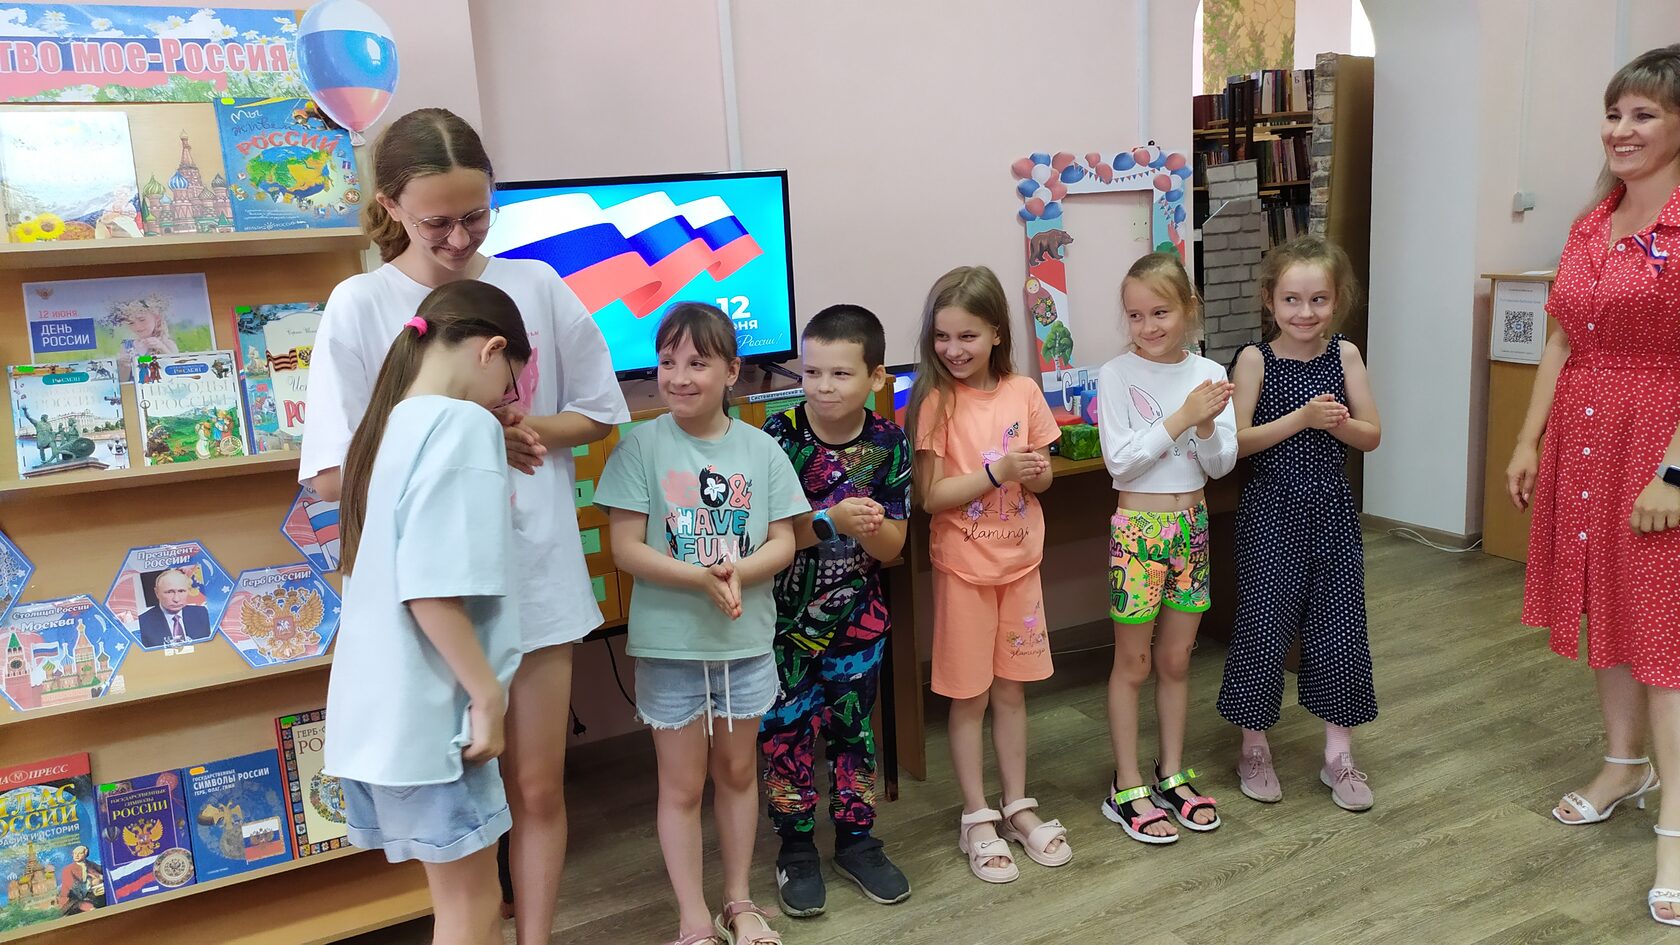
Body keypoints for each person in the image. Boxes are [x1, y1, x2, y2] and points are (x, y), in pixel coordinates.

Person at [299, 108, 628, 945]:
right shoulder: (361, 303)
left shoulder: (536, 285)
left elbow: (598, 412)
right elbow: (333, 473)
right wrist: (467, 433)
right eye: (435, 221)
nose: (456, 238)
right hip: (429, 613)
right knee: (463, 845)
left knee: (538, 790)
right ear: (390, 206)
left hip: (536, 579)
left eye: (475, 216)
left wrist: (517, 428)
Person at [1504, 44, 1680, 928]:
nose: (1621, 129)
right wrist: (1528, 437)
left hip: (1659, 444)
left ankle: (1677, 830)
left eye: (1643, 114)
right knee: (1608, 607)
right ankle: (1623, 763)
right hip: (1584, 441)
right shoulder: (1590, 223)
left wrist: (1675, 471)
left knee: (1664, 639)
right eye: (1614, 113)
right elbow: (1563, 338)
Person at [323, 280, 531, 945]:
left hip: (380, 720)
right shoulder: (463, 425)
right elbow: (430, 590)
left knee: (463, 902)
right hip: (434, 716)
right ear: (491, 350)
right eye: (508, 385)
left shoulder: (389, 425)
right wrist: (487, 694)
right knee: (473, 906)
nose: (503, 402)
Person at [594, 302, 807, 945]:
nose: (679, 377)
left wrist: (735, 571)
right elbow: (624, 548)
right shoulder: (639, 446)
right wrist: (702, 578)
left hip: (744, 643)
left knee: (738, 774)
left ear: (732, 372)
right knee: (681, 787)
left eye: (697, 363)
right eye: (668, 362)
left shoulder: (762, 449)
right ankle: (693, 918)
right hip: (670, 648)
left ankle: (739, 900)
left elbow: (784, 542)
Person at [906, 265, 1068, 884]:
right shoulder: (935, 401)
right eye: (943, 336)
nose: (953, 349)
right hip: (964, 572)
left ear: (997, 333)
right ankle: (976, 815)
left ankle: (1017, 805)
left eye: (968, 336)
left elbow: (1043, 477)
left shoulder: (1023, 392)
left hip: (1020, 566)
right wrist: (999, 472)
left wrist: (1034, 473)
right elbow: (930, 496)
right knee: (969, 695)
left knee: (1012, 690)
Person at [1216, 235, 1382, 811]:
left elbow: (1371, 434)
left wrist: (1336, 425)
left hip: (1331, 510)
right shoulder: (1255, 360)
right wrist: (1303, 418)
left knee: (1341, 625)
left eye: (1318, 300)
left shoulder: (1346, 355)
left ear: (1337, 301)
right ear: (1270, 300)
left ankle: (1339, 753)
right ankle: (1253, 746)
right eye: (1291, 300)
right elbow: (1238, 442)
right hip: (1271, 510)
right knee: (1263, 626)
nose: (1304, 313)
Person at [757, 304, 913, 917]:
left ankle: (857, 840)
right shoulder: (778, 435)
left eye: (841, 374)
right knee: (786, 737)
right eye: (812, 372)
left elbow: (894, 548)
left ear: (876, 378)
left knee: (854, 733)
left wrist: (870, 527)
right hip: (782, 629)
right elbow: (764, 535)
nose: (823, 387)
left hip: (858, 625)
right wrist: (830, 521)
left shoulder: (890, 442)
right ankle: (796, 847)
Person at [1096, 252, 1235, 844]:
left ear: (1188, 309)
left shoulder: (1209, 371)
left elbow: (1221, 464)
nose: (1148, 326)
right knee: (1134, 662)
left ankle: (1171, 771)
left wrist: (1204, 426)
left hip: (1192, 528)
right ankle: (1125, 782)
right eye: (1136, 315)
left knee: (1177, 659)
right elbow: (1120, 462)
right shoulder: (1116, 375)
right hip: (1139, 532)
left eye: (1160, 312)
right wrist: (1182, 417)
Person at [137, 568, 212, 648]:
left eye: (181, 591)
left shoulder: (203, 613)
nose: (176, 599)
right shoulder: (142, 623)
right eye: (169, 592)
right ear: (157, 592)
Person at [57, 845, 104, 915]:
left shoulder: (90, 864)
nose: (76, 855)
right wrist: (90, 884)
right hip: (73, 900)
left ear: (85, 854)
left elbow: (103, 871)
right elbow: (73, 888)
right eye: (75, 853)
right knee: (92, 910)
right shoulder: (67, 870)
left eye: (80, 853)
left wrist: (100, 878)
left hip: (93, 894)